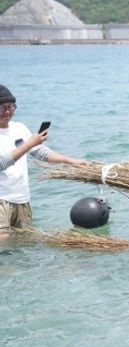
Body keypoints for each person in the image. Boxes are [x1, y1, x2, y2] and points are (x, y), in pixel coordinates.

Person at [1, 84, 86, 236]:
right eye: (2, 108)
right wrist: (30, 143)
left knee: (23, 244)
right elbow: (2, 163)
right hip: (1, 200)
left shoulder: (19, 127)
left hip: (22, 199)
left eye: (11, 107)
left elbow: (40, 153)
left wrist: (69, 161)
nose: (7, 112)